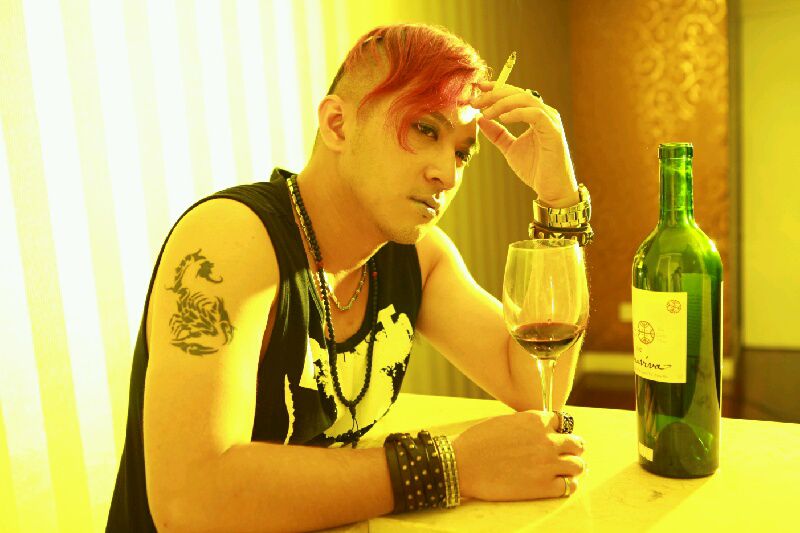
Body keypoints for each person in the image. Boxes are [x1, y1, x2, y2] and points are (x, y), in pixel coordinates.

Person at [106, 22, 593, 532]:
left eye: (461, 152)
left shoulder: (417, 258)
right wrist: (450, 465)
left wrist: (559, 200)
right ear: (337, 125)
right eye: (425, 129)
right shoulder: (230, 240)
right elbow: (190, 501)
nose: (447, 175)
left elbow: (533, 381)